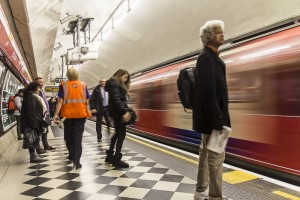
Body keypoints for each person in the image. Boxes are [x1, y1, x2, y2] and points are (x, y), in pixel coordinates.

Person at [193, 20, 231, 200]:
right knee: (216, 160)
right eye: (218, 32)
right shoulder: (206, 58)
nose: (222, 34)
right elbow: (208, 93)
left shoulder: (214, 58)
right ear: (209, 37)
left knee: (206, 154)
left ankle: (201, 191)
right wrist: (218, 121)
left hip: (212, 118)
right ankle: (215, 196)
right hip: (213, 119)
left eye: (222, 31)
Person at [53, 68, 91, 169]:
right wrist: (89, 111)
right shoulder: (83, 85)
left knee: (68, 137)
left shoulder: (64, 85)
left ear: (67, 76)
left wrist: (56, 115)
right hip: (80, 115)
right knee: (78, 138)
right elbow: (87, 100)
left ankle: (71, 154)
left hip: (67, 116)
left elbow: (60, 101)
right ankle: (77, 161)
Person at [104, 69, 132, 168]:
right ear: (120, 75)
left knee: (117, 134)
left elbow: (116, 98)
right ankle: (116, 159)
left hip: (116, 112)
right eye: (125, 77)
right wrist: (124, 112)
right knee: (121, 135)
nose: (126, 80)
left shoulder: (113, 83)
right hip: (118, 113)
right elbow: (116, 99)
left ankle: (110, 155)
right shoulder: (115, 82)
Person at [21, 82, 47, 163]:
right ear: (35, 88)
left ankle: (34, 154)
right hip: (31, 122)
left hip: (30, 122)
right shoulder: (31, 97)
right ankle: (33, 157)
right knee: (31, 138)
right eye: (38, 88)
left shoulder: (29, 96)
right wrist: (34, 124)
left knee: (33, 138)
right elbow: (31, 111)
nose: (39, 89)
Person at [35, 77, 56, 152]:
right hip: (41, 114)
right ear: (36, 83)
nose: (42, 84)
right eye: (40, 82)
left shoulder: (41, 91)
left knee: (45, 130)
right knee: (40, 132)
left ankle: (46, 145)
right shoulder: (36, 92)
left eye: (42, 82)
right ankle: (38, 148)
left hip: (45, 114)